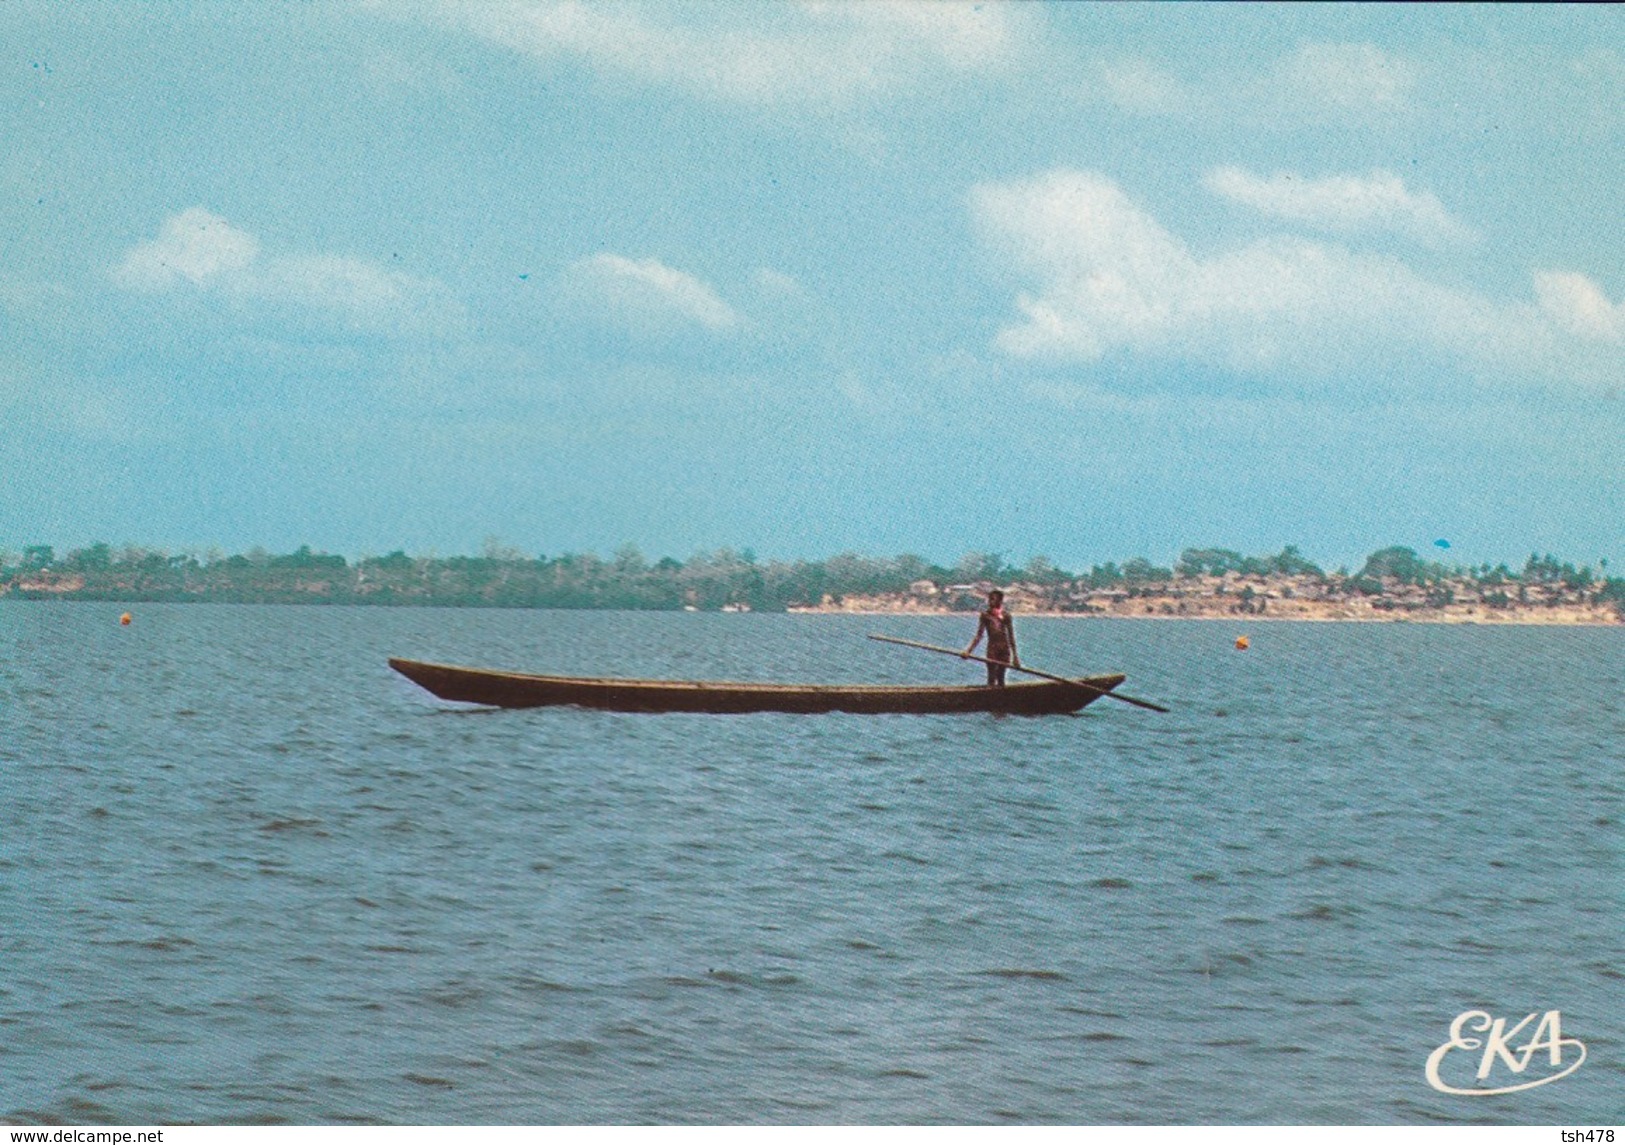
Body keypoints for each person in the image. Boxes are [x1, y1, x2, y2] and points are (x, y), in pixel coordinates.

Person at [963, 588, 1019, 686]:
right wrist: (968, 651)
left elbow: (1011, 636)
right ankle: (989, 697)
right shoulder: (985, 615)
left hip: (1004, 649)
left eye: (993, 599)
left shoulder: (1006, 616)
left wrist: (1015, 657)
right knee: (991, 677)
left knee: (1001, 678)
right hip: (992, 649)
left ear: (1000, 601)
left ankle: (1001, 698)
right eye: (989, 599)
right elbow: (979, 635)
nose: (990, 602)